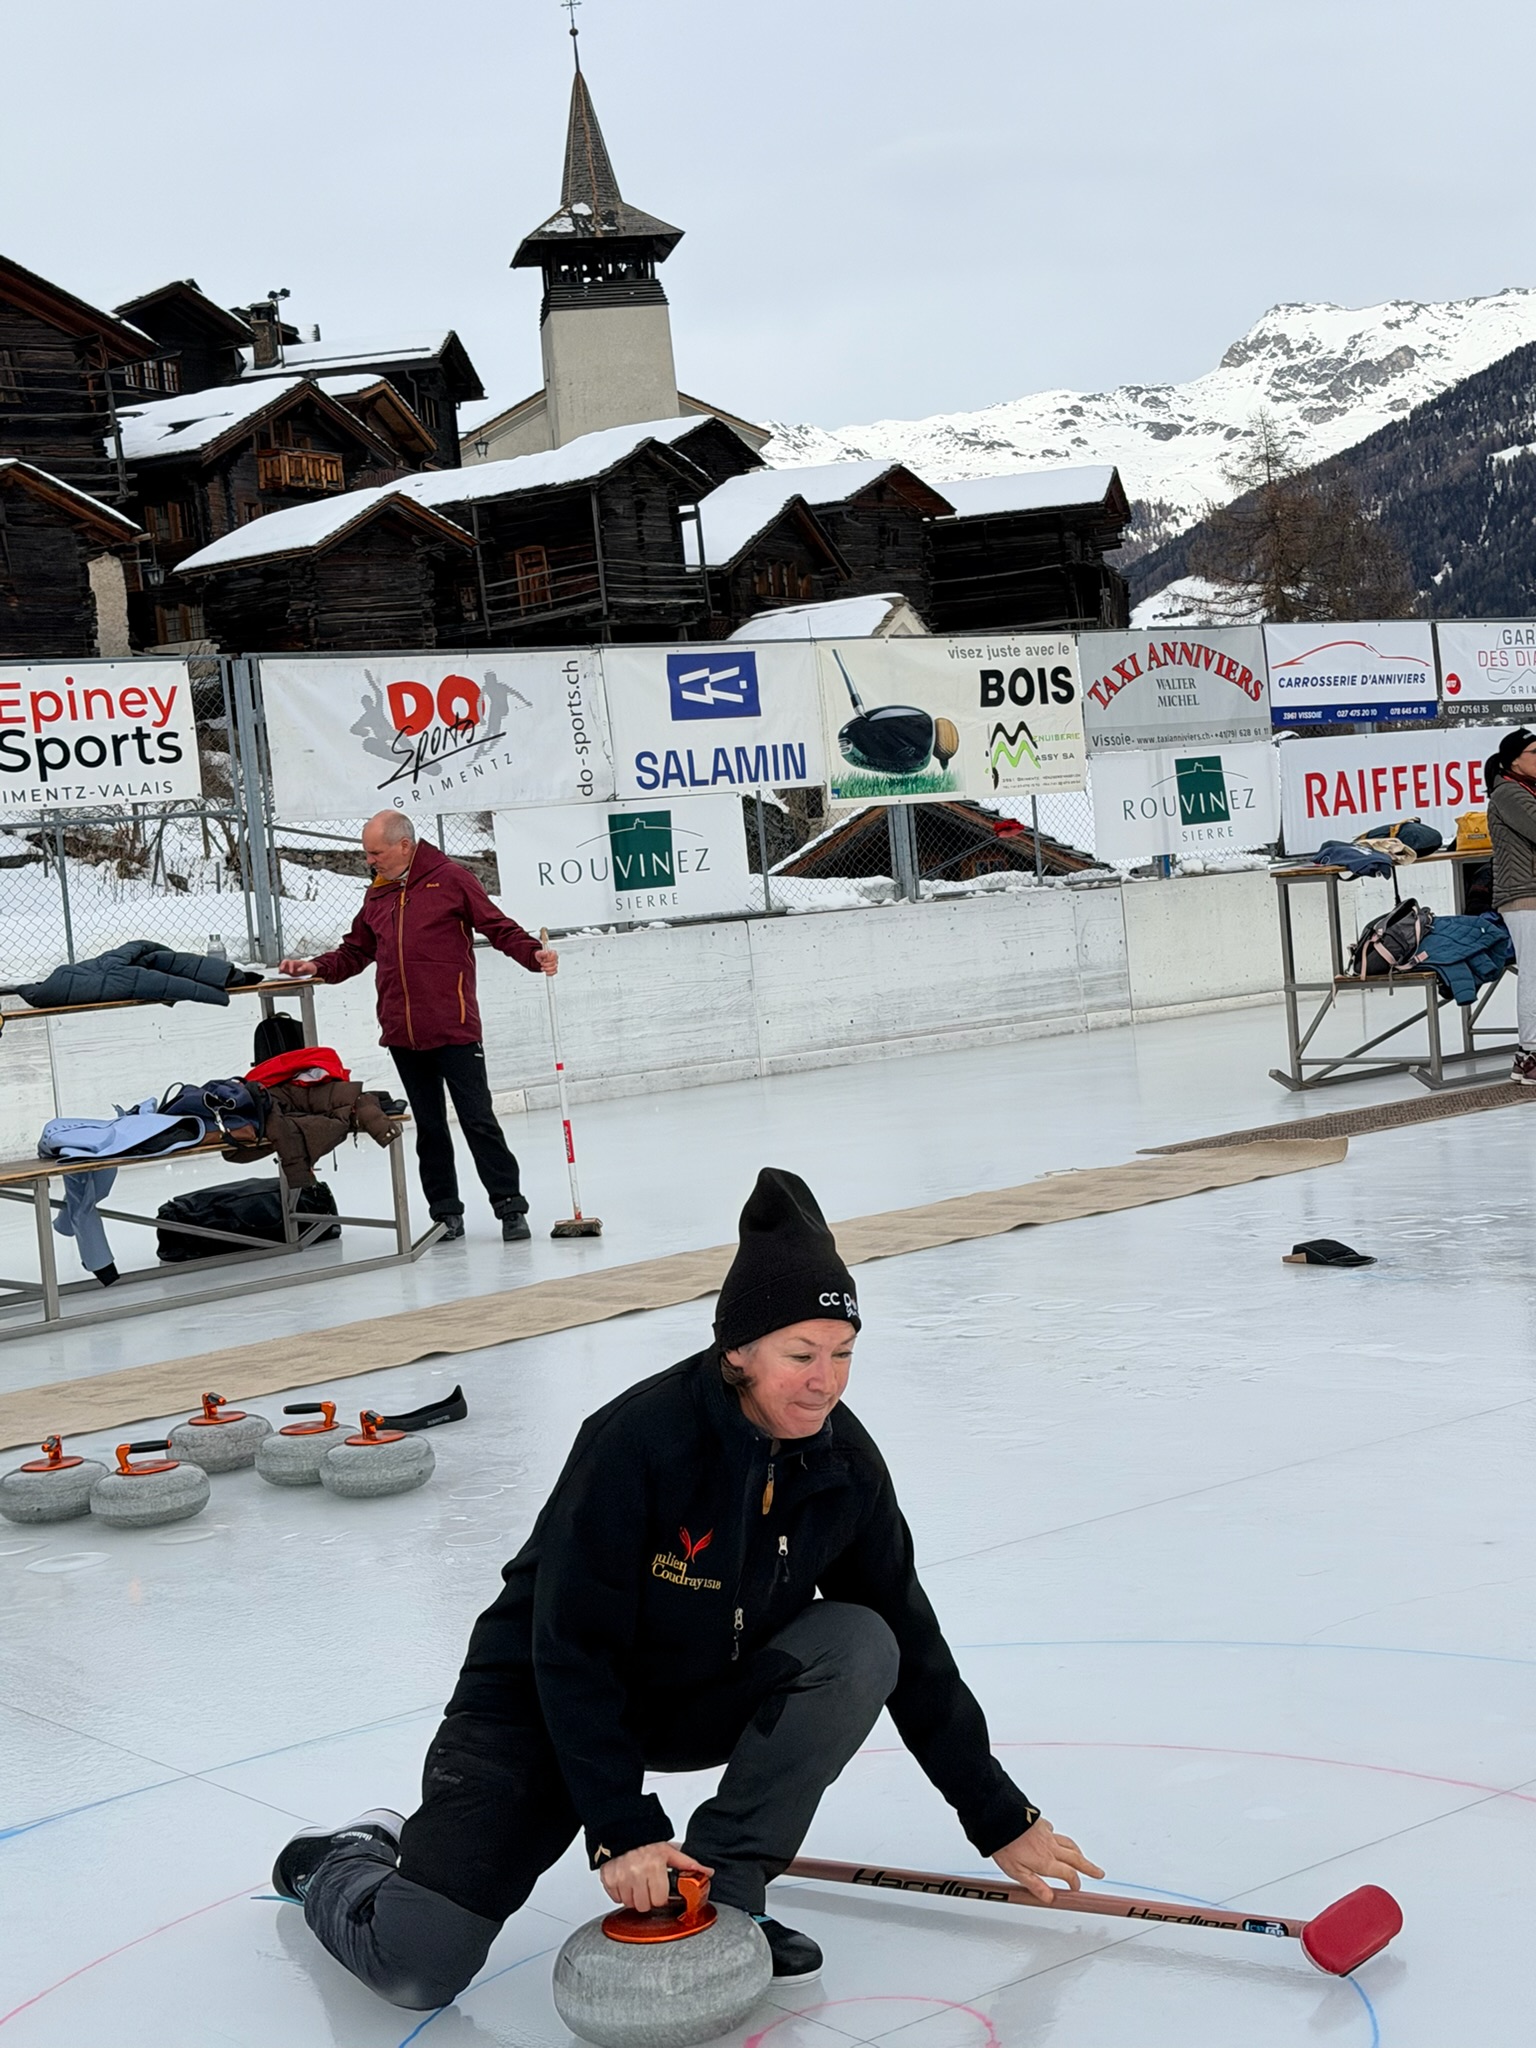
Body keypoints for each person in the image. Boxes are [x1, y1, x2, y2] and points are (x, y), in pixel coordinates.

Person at [272, 1167, 1101, 2009]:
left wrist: (998, 1814)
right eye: (801, 1355)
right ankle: (340, 1858)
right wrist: (622, 1829)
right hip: (540, 1704)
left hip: (689, 1695)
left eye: (843, 1354)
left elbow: (914, 1649)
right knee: (417, 1963)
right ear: (738, 1350)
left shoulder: (842, 1466)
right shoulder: (639, 1442)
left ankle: (727, 1889)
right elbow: (571, 1646)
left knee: (861, 1642)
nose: (826, 1381)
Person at [278, 811, 557, 1242]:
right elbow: (356, 950)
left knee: (478, 1119)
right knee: (429, 1126)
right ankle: (446, 1212)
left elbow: (498, 927)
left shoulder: (451, 879)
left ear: (404, 845)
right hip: (402, 1033)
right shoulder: (378, 892)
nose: (370, 860)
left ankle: (509, 1206)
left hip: (454, 1026)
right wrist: (316, 966)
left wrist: (533, 955)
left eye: (376, 852)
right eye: (367, 853)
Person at [1485, 728, 1536, 1083]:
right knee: (1533, 974)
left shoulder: (1526, 790)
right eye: (1535, 752)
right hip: (1523, 894)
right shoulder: (1508, 793)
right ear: (1514, 760)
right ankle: (1530, 1053)